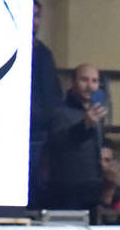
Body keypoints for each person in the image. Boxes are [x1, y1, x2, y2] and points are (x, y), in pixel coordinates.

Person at [44, 63, 108, 211]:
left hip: (93, 188)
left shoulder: (96, 112)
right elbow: (57, 145)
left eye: (94, 81)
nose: (90, 86)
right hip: (67, 191)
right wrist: (84, 126)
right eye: (84, 80)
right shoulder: (59, 112)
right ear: (72, 82)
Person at [29, 0, 61, 208]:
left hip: (39, 134)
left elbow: (52, 96)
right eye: (31, 16)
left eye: (37, 16)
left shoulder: (44, 54)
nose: (35, 22)